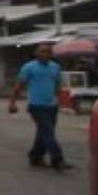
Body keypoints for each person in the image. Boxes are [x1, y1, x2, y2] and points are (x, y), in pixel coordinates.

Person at [8, 42, 71, 172]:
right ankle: (58, 160)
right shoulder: (29, 67)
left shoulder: (55, 67)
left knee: (44, 133)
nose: (45, 54)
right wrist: (12, 102)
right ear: (36, 53)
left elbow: (58, 85)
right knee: (48, 132)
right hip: (36, 106)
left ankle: (35, 156)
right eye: (42, 51)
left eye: (48, 51)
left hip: (51, 106)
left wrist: (61, 101)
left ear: (51, 54)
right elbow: (19, 85)